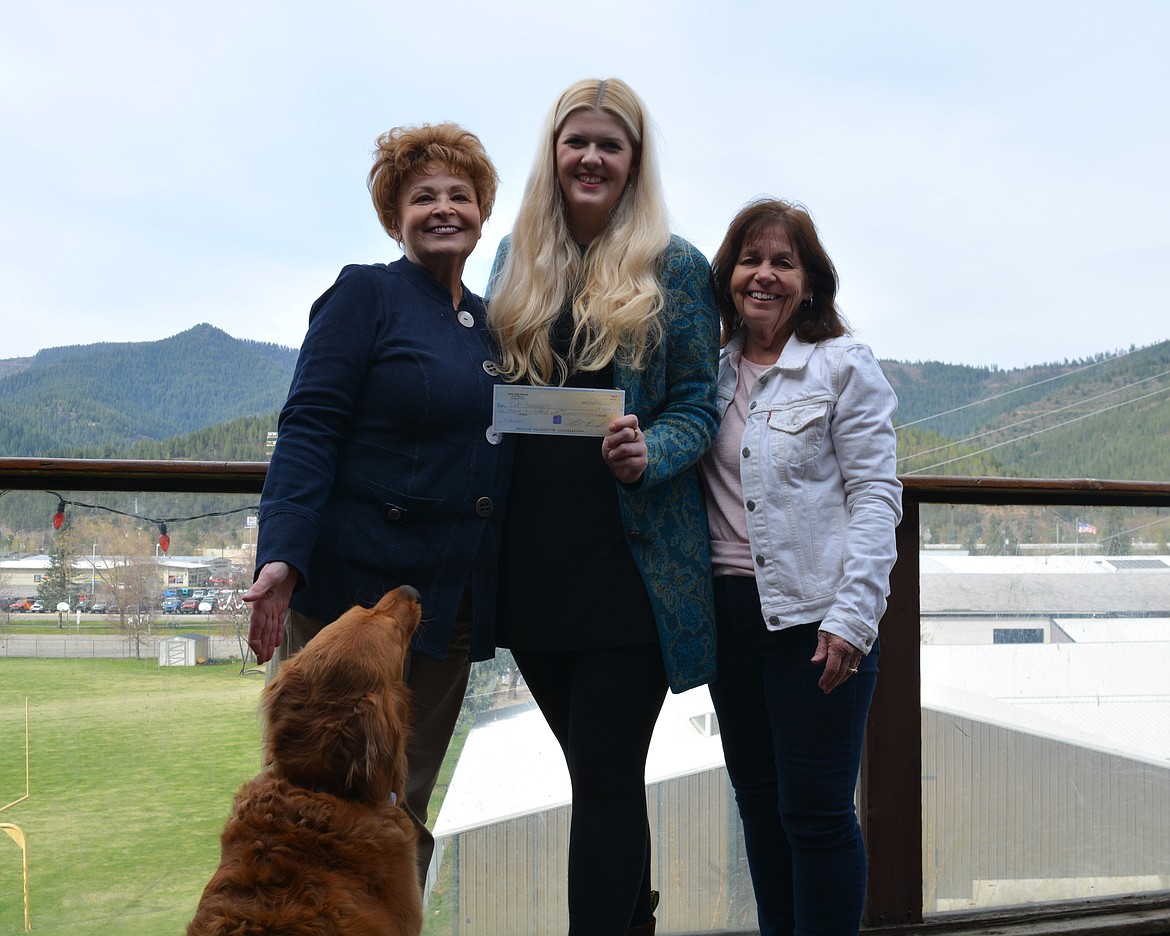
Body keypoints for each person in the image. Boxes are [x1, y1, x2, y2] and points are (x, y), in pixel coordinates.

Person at [243, 122, 510, 889]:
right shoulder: (364, 293)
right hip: (348, 606)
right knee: (320, 801)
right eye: (422, 196)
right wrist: (281, 555)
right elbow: (309, 426)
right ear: (395, 217)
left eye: (459, 194)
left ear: (482, 212)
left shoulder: (495, 325)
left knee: (404, 808)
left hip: (443, 612)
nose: (443, 208)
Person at [487, 77, 720, 936]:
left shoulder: (679, 267)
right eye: (576, 141)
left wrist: (649, 450)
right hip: (535, 568)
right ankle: (635, 921)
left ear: (633, 163)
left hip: (635, 566)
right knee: (598, 777)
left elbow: (701, 402)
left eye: (609, 145)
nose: (590, 157)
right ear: (553, 154)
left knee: (608, 774)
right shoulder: (513, 260)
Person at [699, 198, 902, 936]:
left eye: (783, 262)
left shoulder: (841, 365)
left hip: (815, 622)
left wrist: (855, 617)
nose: (764, 275)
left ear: (810, 281)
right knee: (758, 804)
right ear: (728, 277)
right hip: (727, 619)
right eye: (750, 260)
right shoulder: (707, 374)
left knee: (814, 816)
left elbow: (877, 494)